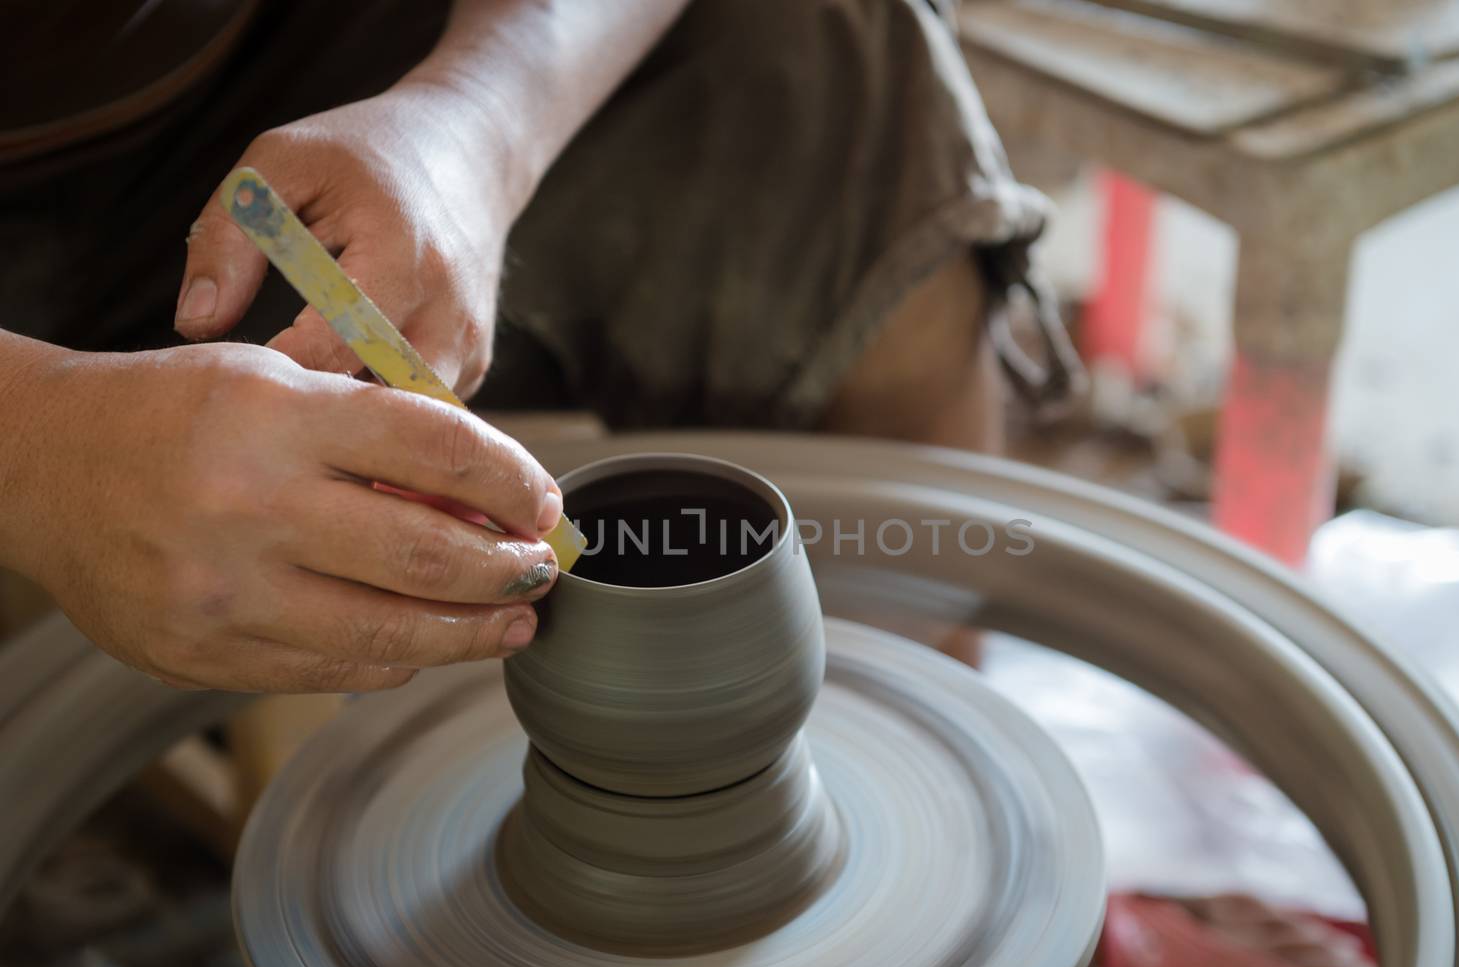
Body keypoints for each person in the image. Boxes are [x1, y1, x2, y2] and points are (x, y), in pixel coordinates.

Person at [0, 0, 1060, 692]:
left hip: (277, 57)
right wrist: (40, 445)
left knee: (819, 41)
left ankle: (926, 733)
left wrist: (480, 123)